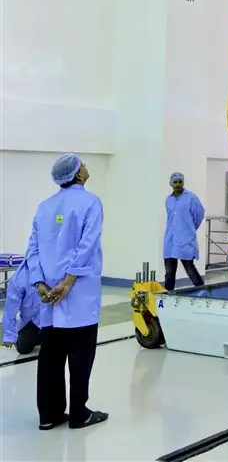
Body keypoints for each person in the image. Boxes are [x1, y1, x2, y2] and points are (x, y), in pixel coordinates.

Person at [26, 154, 108, 431]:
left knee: (49, 357)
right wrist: (69, 282)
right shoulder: (90, 203)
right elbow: (87, 246)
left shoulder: (44, 207)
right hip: (79, 297)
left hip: (48, 298)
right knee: (80, 358)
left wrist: (40, 283)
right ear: (78, 175)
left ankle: (48, 415)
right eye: (83, 164)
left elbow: (33, 249)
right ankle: (78, 414)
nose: (86, 167)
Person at [163, 173, 206, 292]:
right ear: (171, 184)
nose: (178, 185)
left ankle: (202, 292)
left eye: (180, 182)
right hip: (171, 239)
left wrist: (189, 229)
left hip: (185, 239)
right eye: (175, 182)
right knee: (169, 271)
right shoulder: (169, 200)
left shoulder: (191, 198)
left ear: (183, 182)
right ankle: (168, 295)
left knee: (190, 269)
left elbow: (199, 214)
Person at [2, 259, 42, 354]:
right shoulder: (19, 279)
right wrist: (9, 334)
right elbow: (10, 310)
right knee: (23, 348)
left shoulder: (51, 271)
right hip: (31, 321)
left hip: (51, 318)